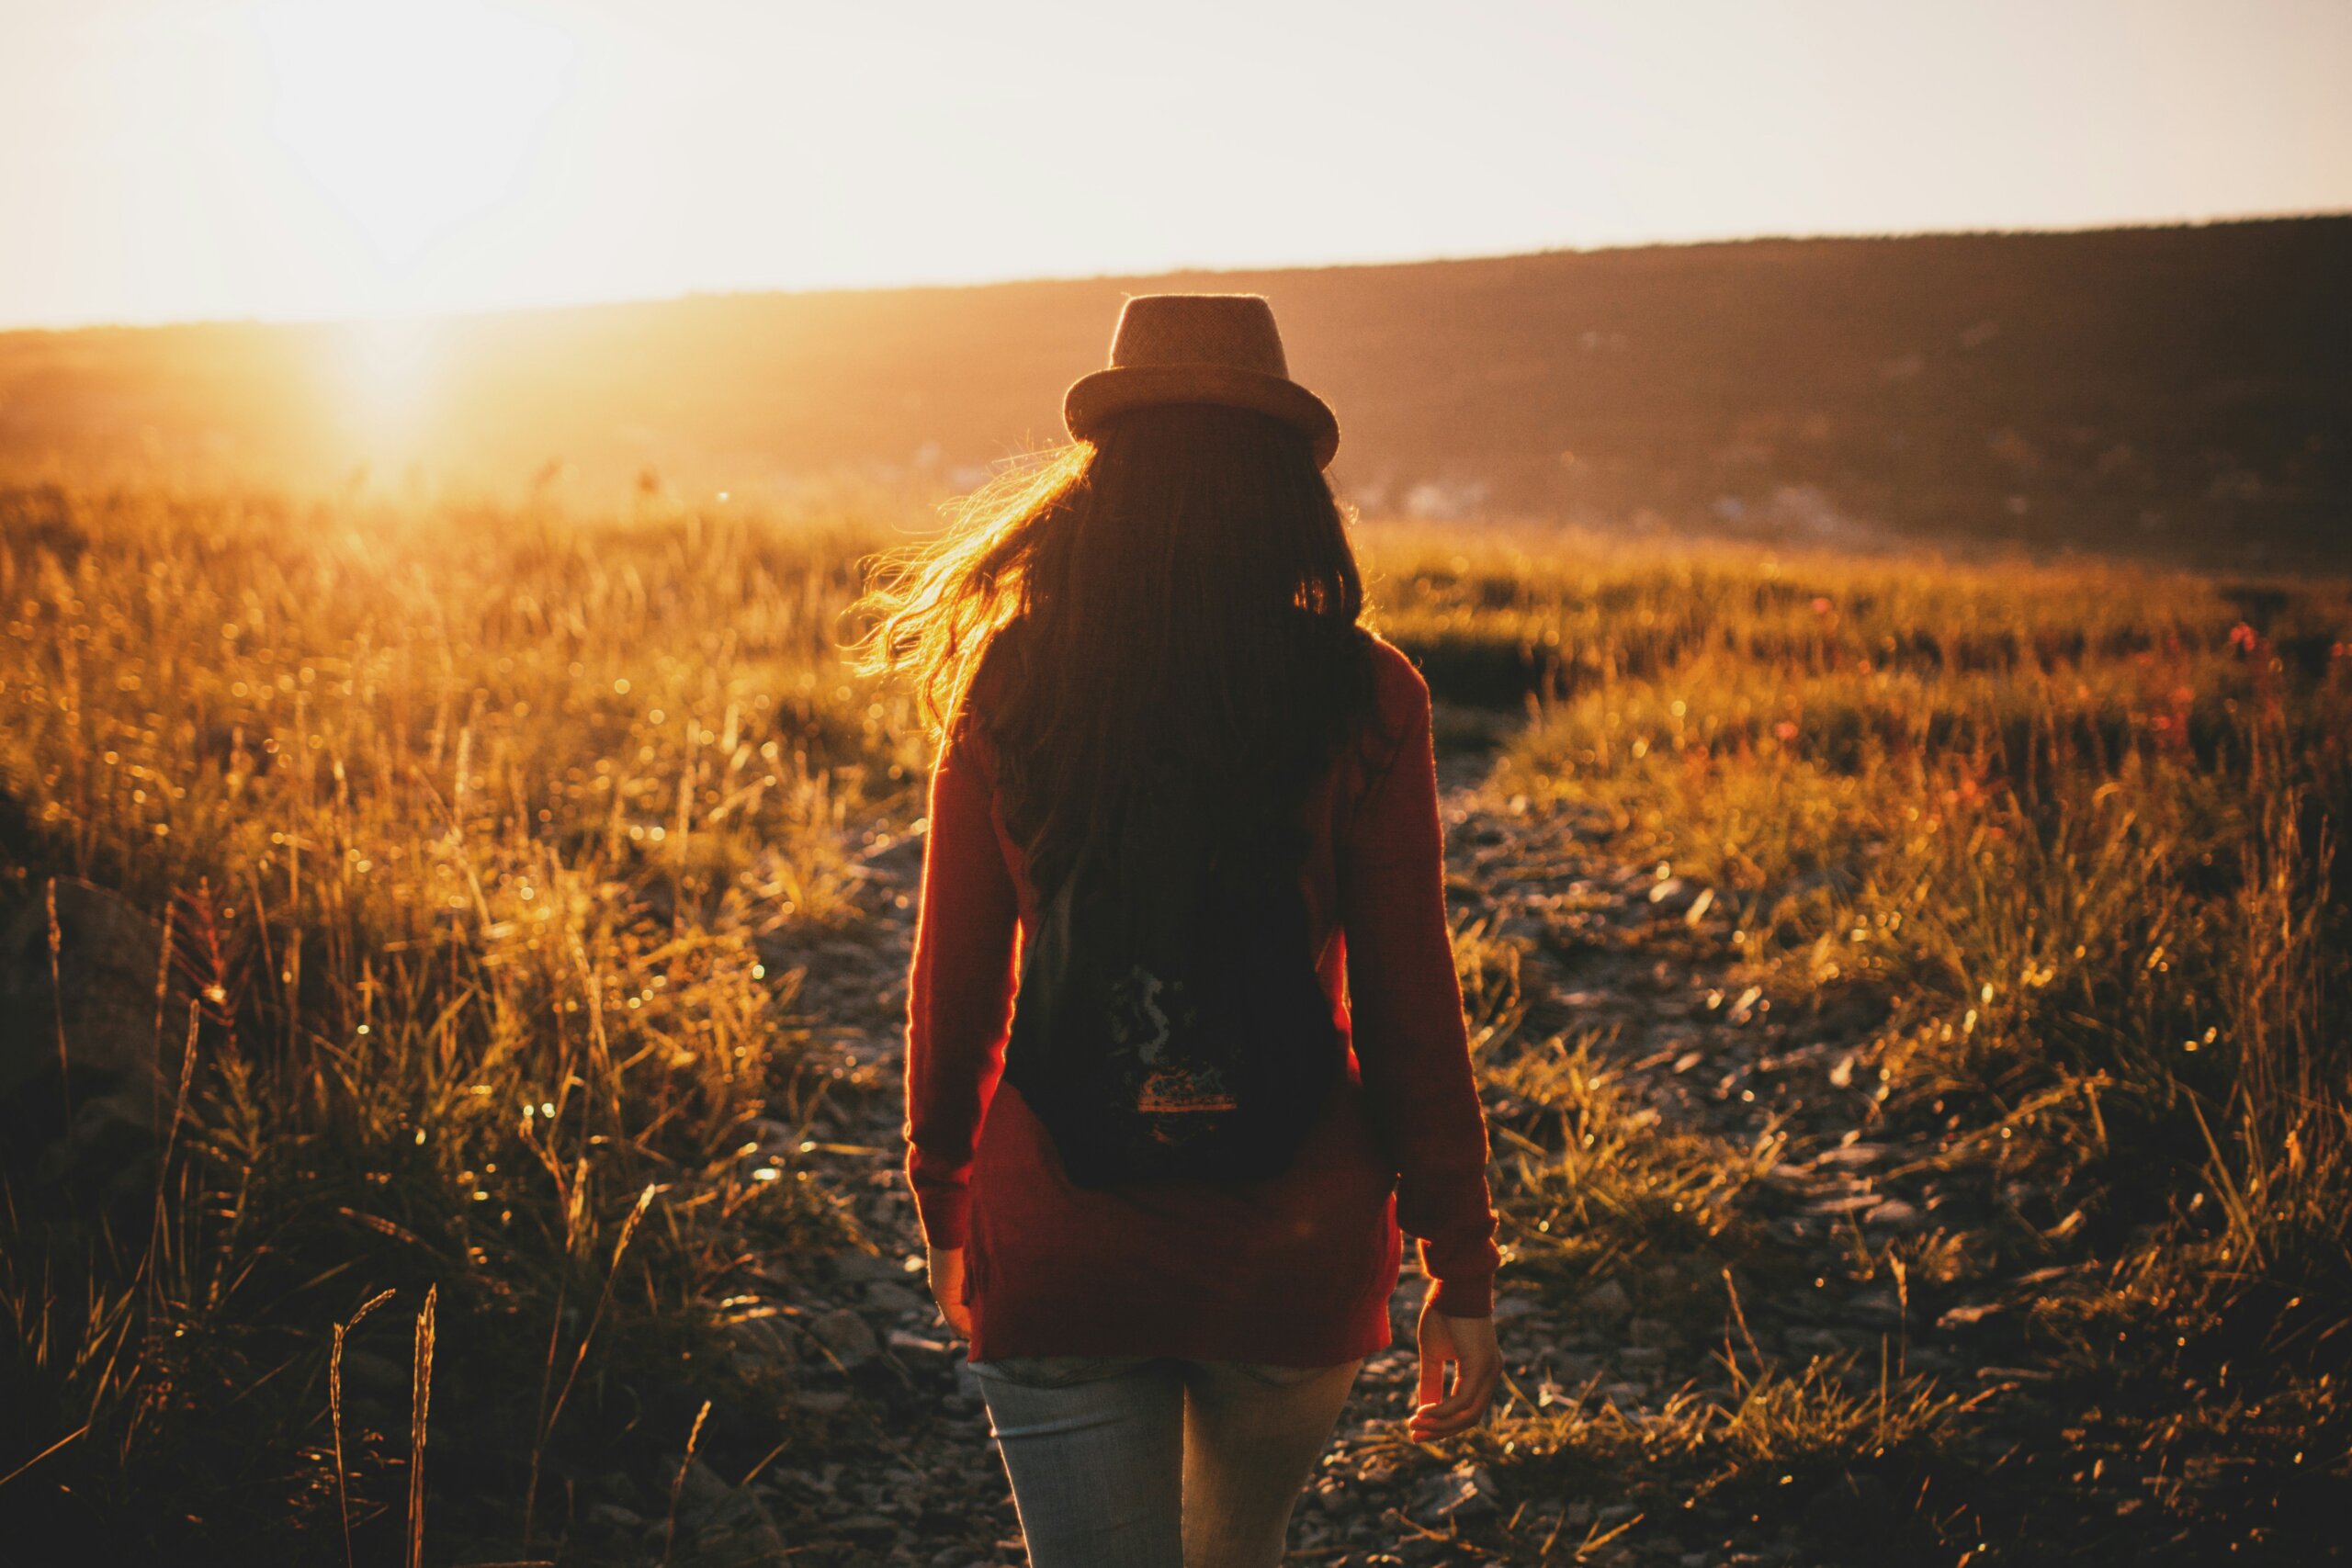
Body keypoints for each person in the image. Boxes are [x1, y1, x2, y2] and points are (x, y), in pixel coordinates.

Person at [864, 293, 1501, 1568]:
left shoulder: (1012, 679)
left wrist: (945, 1197)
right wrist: (1460, 1264)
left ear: (1103, 480)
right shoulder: (1365, 689)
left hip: (1058, 1234)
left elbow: (956, 981)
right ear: (1285, 488)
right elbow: (1407, 998)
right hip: (1292, 1247)